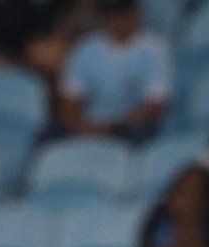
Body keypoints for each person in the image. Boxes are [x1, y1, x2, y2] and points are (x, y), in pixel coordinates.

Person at [60, 0, 174, 142]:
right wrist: (81, 126)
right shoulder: (86, 48)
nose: (120, 19)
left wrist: (112, 128)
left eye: (125, 14)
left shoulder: (156, 50)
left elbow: (156, 105)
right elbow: (70, 99)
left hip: (130, 126)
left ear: (136, 14)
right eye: (114, 14)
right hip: (90, 123)